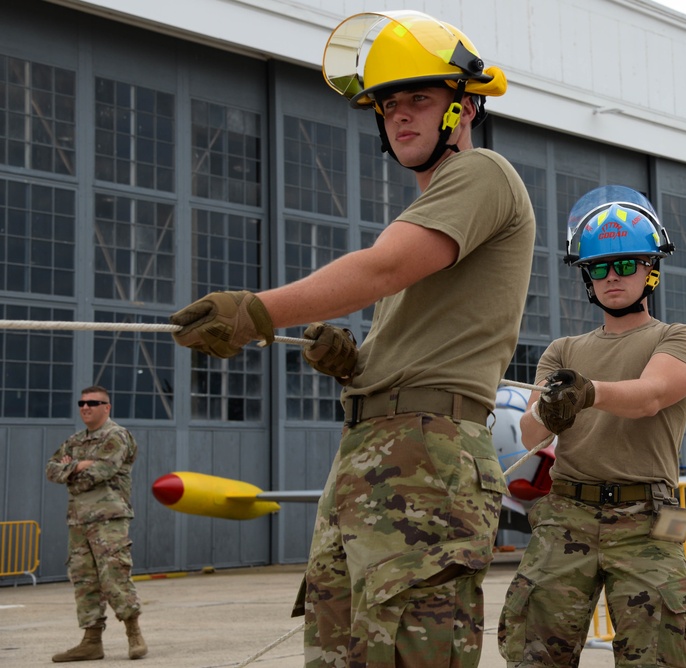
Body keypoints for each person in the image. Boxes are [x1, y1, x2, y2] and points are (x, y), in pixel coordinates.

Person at [168, 10, 535, 668]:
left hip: (429, 460)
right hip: (376, 455)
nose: (400, 116)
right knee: (341, 653)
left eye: (419, 97)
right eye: (388, 104)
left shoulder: (483, 177)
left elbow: (382, 268)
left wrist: (257, 311)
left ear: (466, 104)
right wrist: (356, 365)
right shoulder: (427, 214)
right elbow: (418, 328)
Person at [497, 186, 686, 667]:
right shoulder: (562, 351)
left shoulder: (677, 338)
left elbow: (651, 396)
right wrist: (549, 410)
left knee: (656, 656)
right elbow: (532, 436)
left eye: (627, 265)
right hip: (566, 514)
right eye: (598, 268)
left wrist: (588, 392)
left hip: (647, 521)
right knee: (534, 654)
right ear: (587, 277)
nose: (612, 277)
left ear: (651, 270)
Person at [45, 385, 147, 662]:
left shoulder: (116, 435)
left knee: (115, 574)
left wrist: (73, 470)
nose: (85, 407)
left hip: (109, 519)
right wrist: (78, 465)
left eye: (93, 402)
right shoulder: (75, 440)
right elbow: (51, 470)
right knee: (84, 579)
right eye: (82, 403)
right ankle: (91, 641)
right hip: (78, 520)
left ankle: (134, 633)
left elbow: (104, 470)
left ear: (107, 407)